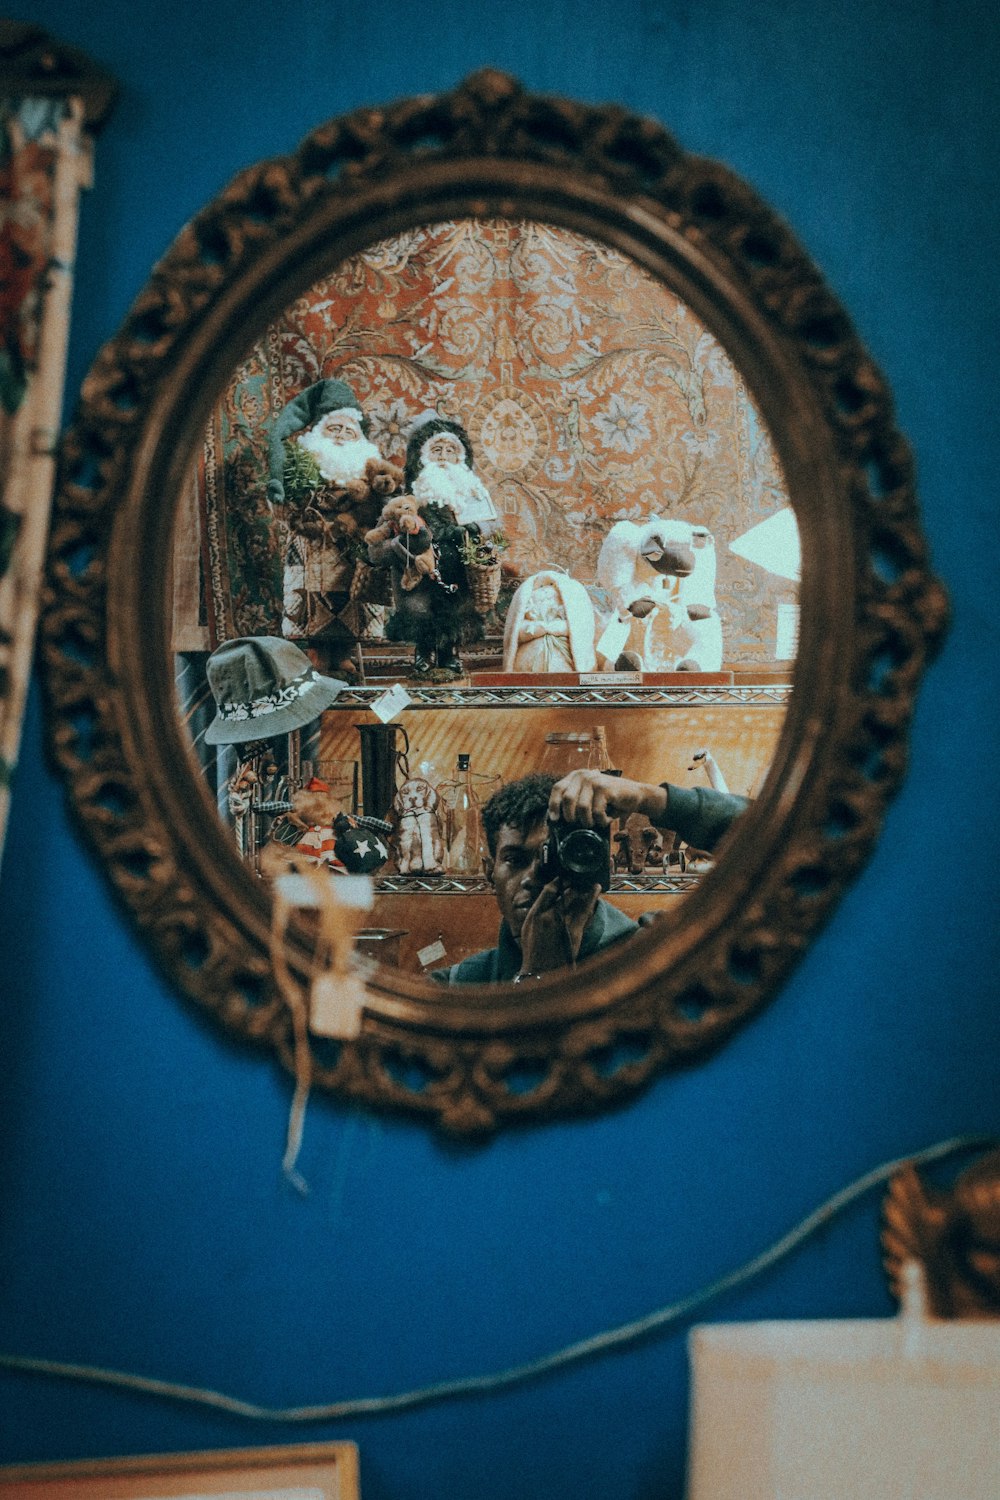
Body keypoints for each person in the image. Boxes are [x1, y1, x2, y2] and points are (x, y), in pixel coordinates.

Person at [432, 768, 749, 984]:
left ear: (588, 859)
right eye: (515, 860)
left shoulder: (654, 956)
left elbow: (784, 847)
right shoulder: (460, 986)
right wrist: (537, 974)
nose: (534, 875)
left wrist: (648, 797)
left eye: (550, 857)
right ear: (490, 873)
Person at [367, 413, 503, 675]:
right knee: (421, 609)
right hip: (420, 562)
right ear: (424, 455)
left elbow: (492, 525)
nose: (443, 456)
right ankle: (423, 652)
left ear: (460, 457)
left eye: (450, 450)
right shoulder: (409, 491)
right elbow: (386, 525)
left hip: (458, 563)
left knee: (456, 607)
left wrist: (476, 530)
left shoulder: (472, 492)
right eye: (437, 450)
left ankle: (449, 654)